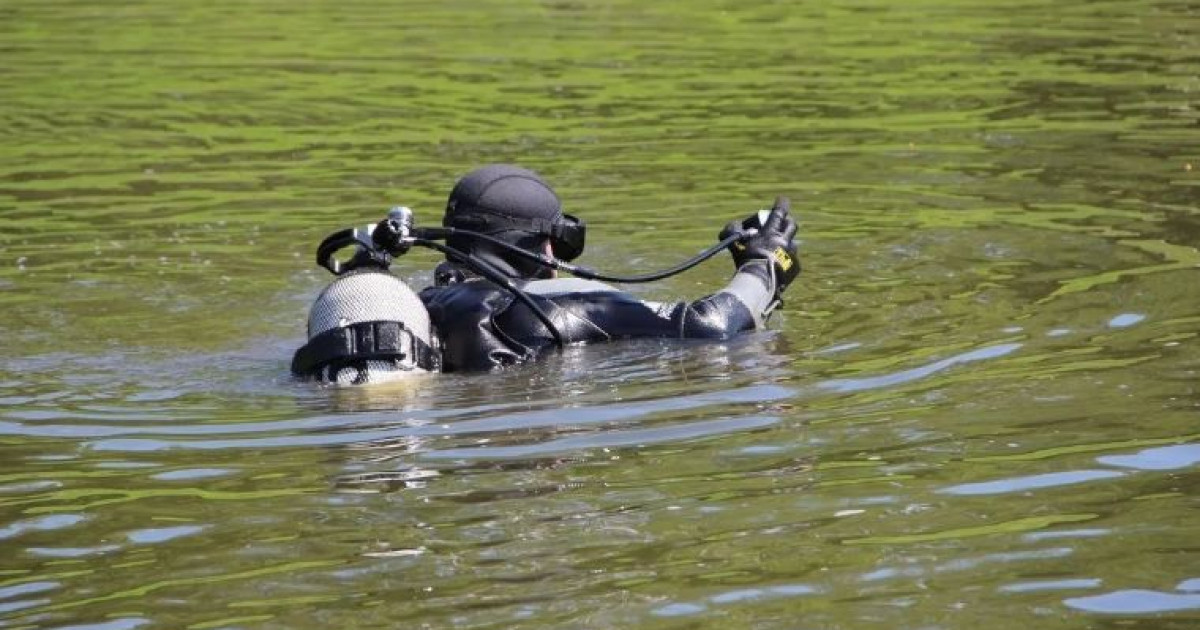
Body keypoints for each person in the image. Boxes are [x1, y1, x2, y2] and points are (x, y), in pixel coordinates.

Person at [418, 164, 800, 372]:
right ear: (546, 247)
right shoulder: (555, 305)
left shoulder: (423, 303)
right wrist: (764, 264)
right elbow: (712, 326)